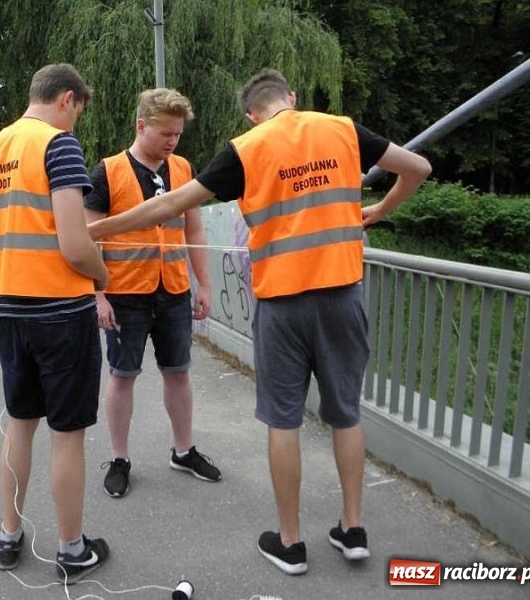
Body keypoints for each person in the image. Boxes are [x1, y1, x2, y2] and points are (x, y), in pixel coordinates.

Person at [88, 68, 432, 575]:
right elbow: (418, 167)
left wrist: (97, 228)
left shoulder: (246, 149)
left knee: (284, 419)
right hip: (343, 295)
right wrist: (379, 208)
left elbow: (174, 205)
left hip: (283, 305)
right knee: (346, 414)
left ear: (251, 113)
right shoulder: (342, 129)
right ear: (291, 97)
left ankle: (290, 543)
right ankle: (353, 530)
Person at [0, 63, 111, 583]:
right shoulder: (58, 145)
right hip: (61, 310)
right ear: (67, 99)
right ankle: (71, 549)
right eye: (78, 114)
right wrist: (101, 276)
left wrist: (12, 251)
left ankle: (8, 535)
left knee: (20, 423)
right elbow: (73, 242)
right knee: (67, 434)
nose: (75, 126)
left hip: (6, 308)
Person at [84, 88, 221, 499]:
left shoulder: (183, 168)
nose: (172, 142)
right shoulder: (106, 173)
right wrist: (98, 296)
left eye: (178, 134)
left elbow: (193, 229)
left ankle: (183, 450)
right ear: (141, 126)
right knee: (122, 376)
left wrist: (204, 284)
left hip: (174, 288)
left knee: (178, 371)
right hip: (124, 293)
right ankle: (120, 459)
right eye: (165, 133)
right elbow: (89, 238)